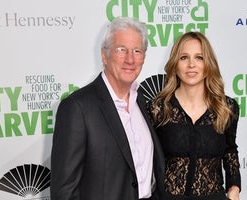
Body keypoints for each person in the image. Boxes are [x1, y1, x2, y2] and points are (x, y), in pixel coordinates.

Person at [50, 17, 164, 200]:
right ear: (104, 55)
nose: (130, 59)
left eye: (137, 51)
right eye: (121, 50)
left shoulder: (142, 100)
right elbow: (64, 192)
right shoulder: (77, 108)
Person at [147, 31, 241, 200]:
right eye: (184, 58)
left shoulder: (226, 107)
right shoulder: (158, 109)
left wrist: (234, 188)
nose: (191, 64)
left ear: (208, 64)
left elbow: (229, 150)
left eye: (199, 57)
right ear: (175, 64)